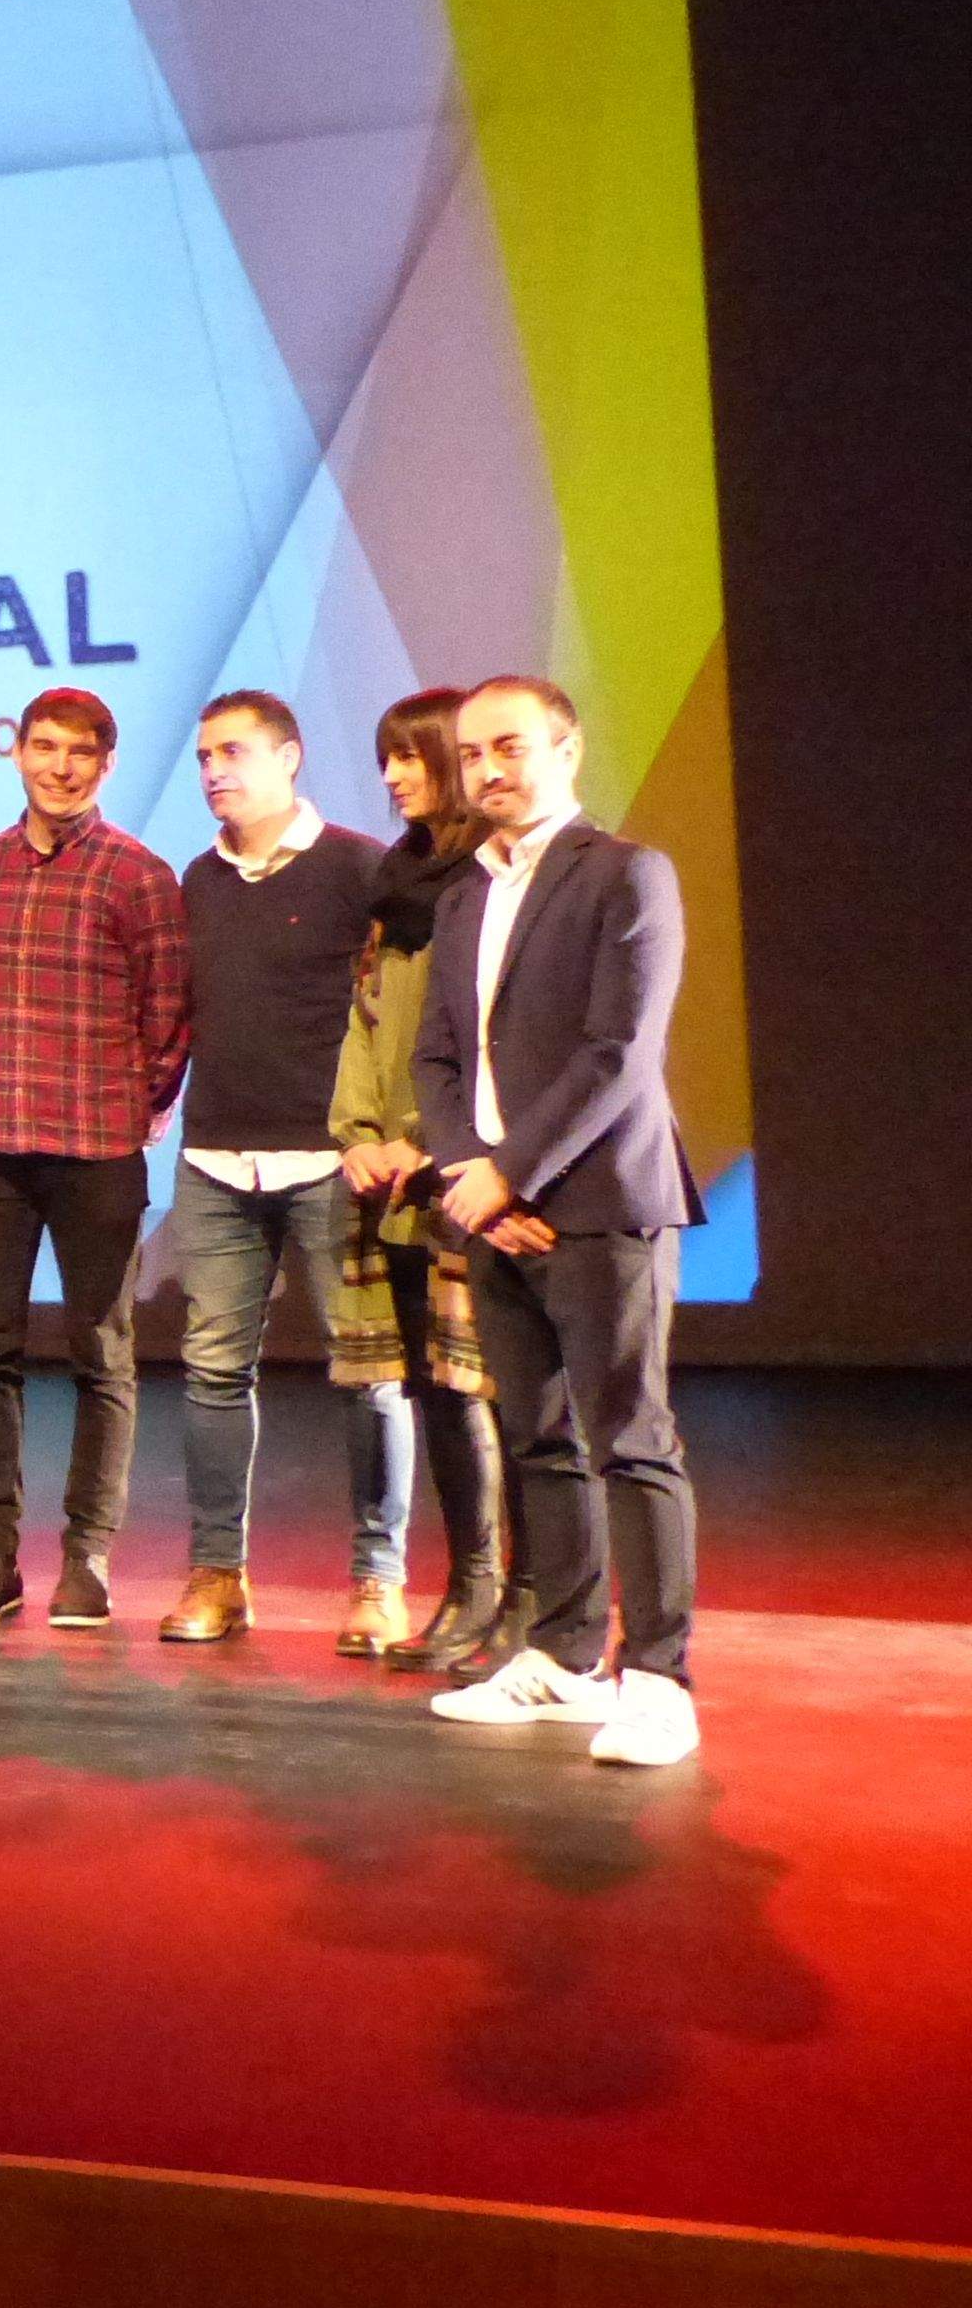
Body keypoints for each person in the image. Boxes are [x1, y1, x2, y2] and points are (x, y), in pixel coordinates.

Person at [420, 674, 706, 1769]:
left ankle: (661, 1680)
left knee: (628, 1438)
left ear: (565, 749)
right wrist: (468, 1175)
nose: (486, 770)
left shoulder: (627, 873)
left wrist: (512, 1174)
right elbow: (436, 1054)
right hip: (490, 1208)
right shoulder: (460, 896)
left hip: (596, 1202)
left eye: (508, 747)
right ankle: (564, 1655)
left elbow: (619, 1054)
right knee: (537, 1439)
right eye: (470, 754)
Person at [0, 687, 190, 1631]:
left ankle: (86, 1558)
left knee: (103, 1352)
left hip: (95, 1147)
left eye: (80, 752)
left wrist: (140, 1104)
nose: (60, 766)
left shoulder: (139, 874)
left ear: (106, 765)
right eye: (44, 747)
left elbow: (170, 1017)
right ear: (15, 753)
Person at [159, 691, 392, 1645]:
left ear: (290, 757)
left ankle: (378, 1581)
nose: (215, 769)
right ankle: (218, 1574)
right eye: (205, 753)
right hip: (217, 1157)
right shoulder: (197, 880)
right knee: (214, 1372)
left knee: (369, 1372)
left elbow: (394, 1011)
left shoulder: (355, 868)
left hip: (331, 1162)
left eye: (235, 751)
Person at [328, 688, 512, 1676]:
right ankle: (468, 1583)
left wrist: (419, 1139)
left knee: (490, 1388)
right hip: (388, 1178)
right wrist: (356, 1132)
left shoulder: (483, 886)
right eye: (386, 758)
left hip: (462, 1171)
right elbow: (365, 1019)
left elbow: (479, 1041)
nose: (393, 776)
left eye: (410, 758)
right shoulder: (394, 881)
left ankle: (517, 1600)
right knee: (434, 1390)